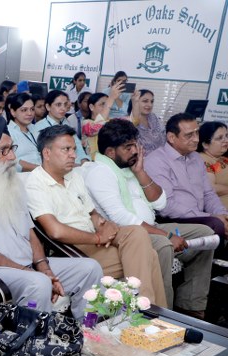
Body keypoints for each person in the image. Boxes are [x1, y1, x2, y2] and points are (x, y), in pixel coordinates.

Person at [0, 117, 102, 318]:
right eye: (4, 151)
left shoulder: (11, 183)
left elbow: (30, 234)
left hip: (28, 266)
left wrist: (44, 268)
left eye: (12, 148)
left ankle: (86, 331)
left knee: (90, 269)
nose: (13, 156)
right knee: (38, 283)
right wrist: (31, 273)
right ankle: (38, 337)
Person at [84, 119, 213, 318]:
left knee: (206, 234)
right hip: (129, 234)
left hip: (151, 225)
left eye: (135, 145)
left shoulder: (130, 167)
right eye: (128, 147)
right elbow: (121, 218)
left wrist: (141, 172)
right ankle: (166, 315)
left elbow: (160, 203)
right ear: (110, 152)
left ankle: (191, 305)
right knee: (163, 245)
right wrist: (166, 235)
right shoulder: (100, 171)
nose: (135, 151)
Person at [25, 125, 167, 306]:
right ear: (47, 153)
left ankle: (147, 310)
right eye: (66, 149)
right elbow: (55, 231)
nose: (73, 155)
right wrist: (98, 238)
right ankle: (146, 310)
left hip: (94, 238)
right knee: (150, 256)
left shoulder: (73, 176)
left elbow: (92, 213)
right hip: (72, 249)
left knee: (137, 233)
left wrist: (105, 225)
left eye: (74, 149)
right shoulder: (35, 183)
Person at [145, 113, 228, 240]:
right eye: (189, 135)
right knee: (216, 225)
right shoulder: (156, 161)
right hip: (173, 219)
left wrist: (222, 214)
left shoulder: (196, 158)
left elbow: (208, 194)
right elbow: (166, 206)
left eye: (197, 133)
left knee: (222, 221)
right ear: (171, 137)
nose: (196, 139)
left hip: (200, 216)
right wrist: (209, 216)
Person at [34, 90, 89, 164]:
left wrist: (84, 159)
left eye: (65, 104)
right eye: (58, 105)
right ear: (48, 107)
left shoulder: (66, 122)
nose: (63, 108)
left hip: (76, 163)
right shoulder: (39, 127)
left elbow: (77, 144)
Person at [80, 86, 122, 155]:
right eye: (102, 104)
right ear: (91, 107)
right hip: (91, 160)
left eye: (107, 104)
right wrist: (111, 98)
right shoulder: (86, 123)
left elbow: (134, 120)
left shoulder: (111, 121)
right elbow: (96, 128)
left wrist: (135, 102)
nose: (106, 108)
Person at [5, 93, 41, 172]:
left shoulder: (35, 128)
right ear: (13, 112)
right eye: (24, 110)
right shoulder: (7, 132)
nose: (30, 113)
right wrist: (40, 169)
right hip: (23, 176)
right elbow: (12, 162)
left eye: (32, 109)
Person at [198, 121, 228, 210]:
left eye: (226, 136)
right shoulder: (202, 160)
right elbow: (211, 188)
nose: (226, 140)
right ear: (205, 144)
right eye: (220, 138)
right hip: (221, 209)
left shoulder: (221, 158)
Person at [129, 90, 166, 154]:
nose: (150, 105)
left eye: (152, 101)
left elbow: (163, 135)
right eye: (145, 101)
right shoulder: (129, 121)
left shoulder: (153, 117)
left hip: (162, 155)